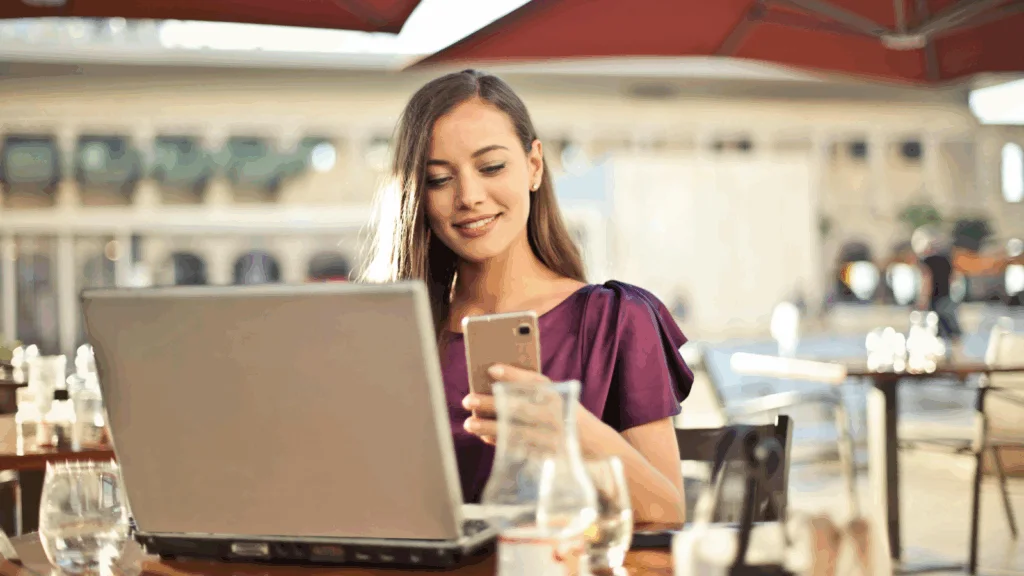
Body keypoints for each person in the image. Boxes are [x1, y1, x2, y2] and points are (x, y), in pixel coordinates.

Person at [361, 70, 692, 523]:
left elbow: (669, 510)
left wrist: (569, 430)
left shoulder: (615, 318)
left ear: (534, 166)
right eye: (439, 179)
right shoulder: (392, 335)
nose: (469, 197)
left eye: (491, 167)